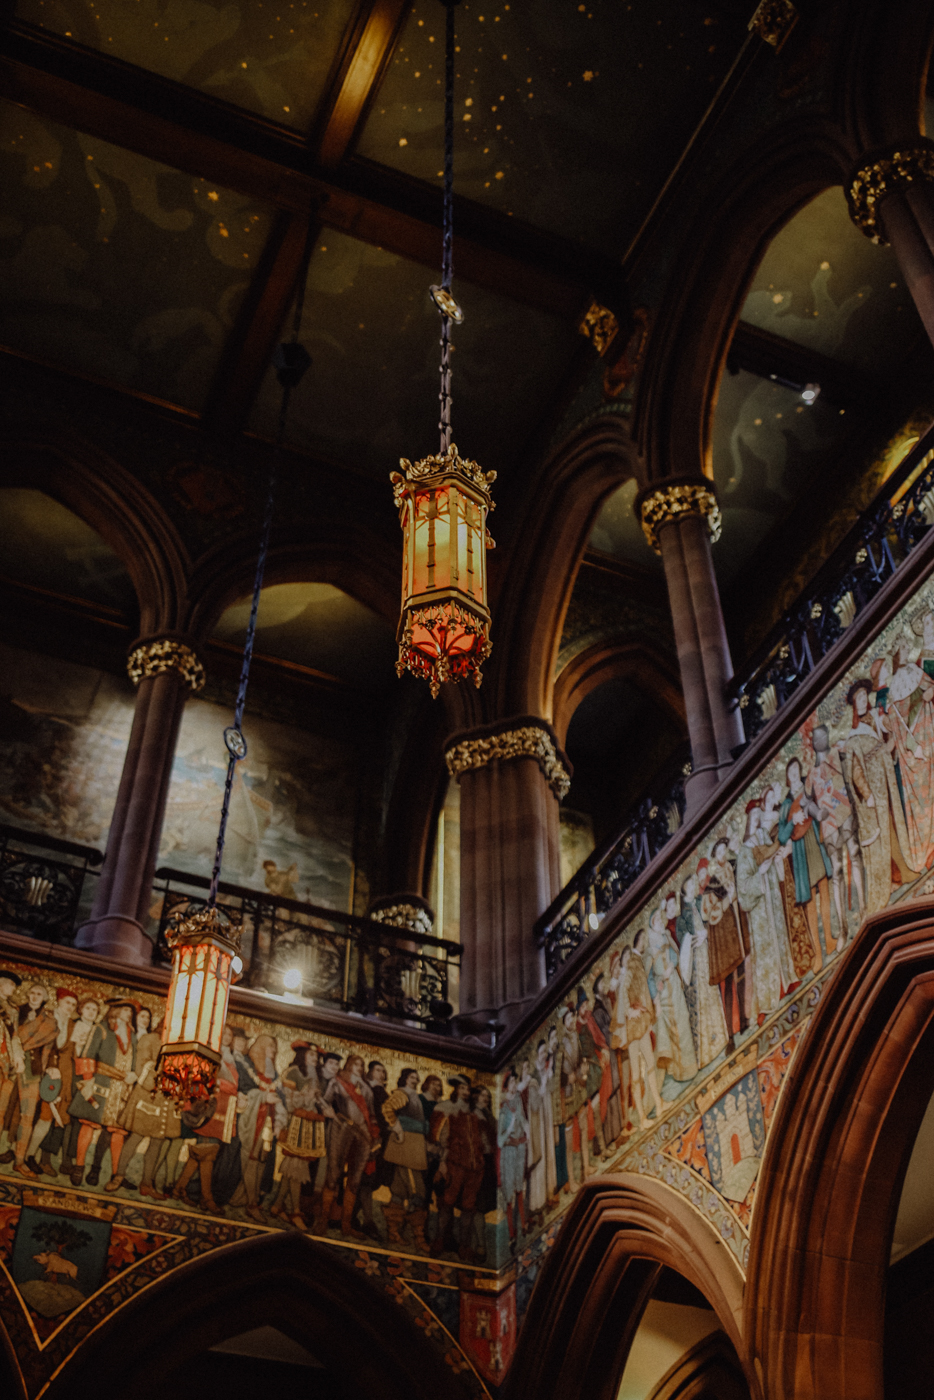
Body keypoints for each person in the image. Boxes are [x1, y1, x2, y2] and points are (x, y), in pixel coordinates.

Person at [843, 678, 916, 912]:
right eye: (860, 698)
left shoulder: (874, 718)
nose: (864, 700)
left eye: (866, 695)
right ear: (855, 704)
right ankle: (893, 878)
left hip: (886, 783)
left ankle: (902, 870)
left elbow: (886, 731)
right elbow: (855, 770)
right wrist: (867, 794)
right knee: (884, 833)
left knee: (894, 825)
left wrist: (890, 736)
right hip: (874, 791)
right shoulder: (854, 735)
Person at [68, 998, 138, 1187]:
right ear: (115, 1011)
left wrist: (133, 1076)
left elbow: (135, 1062)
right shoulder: (101, 1029)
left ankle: (116, 1175)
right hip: (100, 1083)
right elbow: (88, 1055)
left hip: (122, 1089)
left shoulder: (133, 1034)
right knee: (89, 1124)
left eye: (130, 1012)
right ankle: (79, 1167)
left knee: (118, 1131)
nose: (128, 1015)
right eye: (125, 1010)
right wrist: (88, 1081)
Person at [736, 801, 796, 1022]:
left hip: (773, 900)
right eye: (753, 817)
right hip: (759, 908)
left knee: (780, 938)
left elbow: (775, 852)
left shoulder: (764, 841)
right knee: (765, 950)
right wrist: (759, 874)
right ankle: (769, 998)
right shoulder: (745, 851)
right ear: (748, 822)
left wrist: (774, 864)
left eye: (758, 816)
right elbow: (742, 888)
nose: (756, 820)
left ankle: (787, 979)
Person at [807, 724, 865, 944]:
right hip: (829, 823)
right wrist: (816, 811)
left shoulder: (837, 756)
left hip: (844, 812)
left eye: (823, 736)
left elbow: (850, 774)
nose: (821, 739)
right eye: (817, 737)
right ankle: (842, 928)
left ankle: (864, 909)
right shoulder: (812, 774)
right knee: (837, 869)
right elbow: (806, 801)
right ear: (813, 743)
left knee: (855, 853)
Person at [778, 755, 834, 970]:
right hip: (801, 854)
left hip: (814, 842)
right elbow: (782, 837)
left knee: (825, 889)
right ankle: (818, 954)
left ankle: (829, 938)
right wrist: (793, 821)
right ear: (786, 777)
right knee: (809, 901)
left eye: (796, 770)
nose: (793, 774)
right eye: (790, 771)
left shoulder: (807, 790)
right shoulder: (785, 805)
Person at [269, 1041, 330, 1230]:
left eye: (316, 1057)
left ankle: (277, 1206)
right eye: (311, 1055)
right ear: (302, 1055)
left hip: (308, 1125)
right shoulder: (293, 1072)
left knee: (294, 1170)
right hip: (294, 1123)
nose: (314, 1059)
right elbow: (288, 1101)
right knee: (296, 1169)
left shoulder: (314, 1076)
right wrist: (308, 1096)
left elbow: (315, 1099)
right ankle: (295, 1212)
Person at [430, 1075, 492, 1261]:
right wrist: (442, 1162)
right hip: (454, 1163)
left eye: (467, 1089)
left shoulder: (476, 1113)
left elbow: (484, 1141)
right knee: (447, 1202)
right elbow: (437, 1137)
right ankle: (440, 1240)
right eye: (462, 1088)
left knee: (469, 1206)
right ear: (456, 1089)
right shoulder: (445, 1108)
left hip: (475, 1168)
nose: (465, 1092)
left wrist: (483, 1156)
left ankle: (465, 1246)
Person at [319, 1053, 380, 1240]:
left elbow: (371, 1114)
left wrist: (375, 1136)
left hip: (362, 1135)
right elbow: (325, 1101)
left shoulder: (367, 1089)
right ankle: (322, 1220)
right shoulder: (337, 1083)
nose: (360, 1068)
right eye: (357, 1064)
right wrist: (325, 1109)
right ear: (349, 1065)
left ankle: (346, 1225)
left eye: (362, 1065)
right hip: (341, 1129)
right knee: (333, 1174)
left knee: (354, 1180)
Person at [230, 1033, 286, 1222]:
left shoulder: (273, 1074)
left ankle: (241, 1197)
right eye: (270, 1046)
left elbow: (280, 1098)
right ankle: (252, 1204)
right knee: (251, 1159)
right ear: (261, 1047)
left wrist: (279, 1121)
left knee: (261, 1159)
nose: (274, 1050)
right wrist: (262, 1097)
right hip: (252, 1121)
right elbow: (242, 1091)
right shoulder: (247, 1066)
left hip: (268, 1123)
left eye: (275, 1047)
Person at [676, 874, 729, 1068]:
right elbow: (683, 941)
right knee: (702, 1002)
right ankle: (707, 1052)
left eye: (692, 883)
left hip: (706, 955)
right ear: (683, 891)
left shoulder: (700, 903)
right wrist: (691, 940)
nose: (692, 886)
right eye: (688, 884)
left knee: (713, 995)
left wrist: (706, 932)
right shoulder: (682, 918)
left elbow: (710, 918)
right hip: (696, 964)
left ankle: (721, 1040)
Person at [699, 841, 749, 1046]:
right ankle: (730, 1035)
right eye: (718, 851)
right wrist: (728, 898)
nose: (723, 853)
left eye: (724, 850)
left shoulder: (732, 866)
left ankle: (744, 1019)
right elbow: (709, 914)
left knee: (742, 975)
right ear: (713, 855)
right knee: (727, 984)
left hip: (737, 929)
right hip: (724, 939)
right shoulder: (712, 883)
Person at [644, 910, 698, 1083]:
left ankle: (690, 1066)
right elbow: (649, 977)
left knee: (682, 1022)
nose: (661, 921)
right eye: (658, 919)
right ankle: (679, 1070)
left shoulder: (665, 937)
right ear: (652, 923)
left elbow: (674, 956)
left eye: (661, 918)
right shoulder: (650, 947)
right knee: (672, 1030)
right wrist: (656, 991)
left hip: (674, 984)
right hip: (664, 991)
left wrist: (671, 968)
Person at [382, 1068, 431, 1250]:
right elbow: (387, 1108)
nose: (415, 1080)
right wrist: (398, 1128)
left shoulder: (414, 1096)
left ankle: (394, 1233)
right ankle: (418, 1237)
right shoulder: (402, 1094)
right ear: (404, 1079)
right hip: (406, 1144)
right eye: (412, 1077)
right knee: (418, 1189)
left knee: (399, 1189)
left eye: (417, 1077)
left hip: (414, 1144)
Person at [617, 943, 664, 1129]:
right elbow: (622, 1000)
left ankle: (658, 1103)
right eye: (626, 958)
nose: (629, 960)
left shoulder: (634, 974)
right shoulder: (624, 978)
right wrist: (629, 1010)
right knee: (636, 1075)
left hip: (641, 1025)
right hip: (630, 1031)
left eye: (631, 957)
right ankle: (642, 1117)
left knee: (650, 1063)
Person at [356, 1059, 391, 1241]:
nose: (382, 1074)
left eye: (384, 1071)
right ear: (369, 1072)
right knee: (365, 1180)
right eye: (378, 1070)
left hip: (378, 1139)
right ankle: (366, 1222)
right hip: (366, 1137)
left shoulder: (381, 1091)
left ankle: (355, 1217)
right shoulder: (368, 1089)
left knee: (370, 1181)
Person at [497, 1068, 529, 1251]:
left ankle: (523, 1225)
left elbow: (523, 1119)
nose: (515, 1085)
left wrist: (528, 1129)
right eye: (512, 1082)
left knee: (520, 1188)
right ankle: (511, 1233)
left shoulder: (517, 1099)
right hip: (509, 1151)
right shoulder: (503, 1108)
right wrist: (510, 1126)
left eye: (516, 1082)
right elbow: (500, 1141)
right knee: (509, 1193)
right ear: (506, 1085)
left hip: (520, 1147)